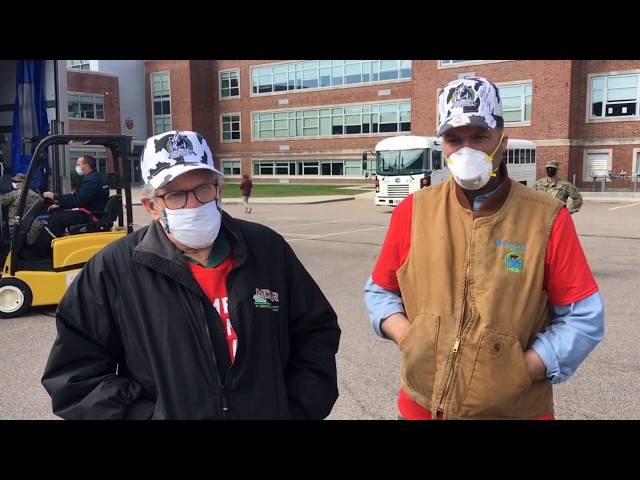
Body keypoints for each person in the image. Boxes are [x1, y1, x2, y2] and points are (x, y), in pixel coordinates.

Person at [41, 130, 340, 420]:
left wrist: (293, 409)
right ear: (152, 207)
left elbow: (316, 333)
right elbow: (74, 379)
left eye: (203, 189)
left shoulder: (267, 250)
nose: (194, 205)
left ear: (219, 191)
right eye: (175, 195)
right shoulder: (114, 270)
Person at [364, 76, 604, 420]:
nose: (466, 150)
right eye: (453, 139)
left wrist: (522, 369)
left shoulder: (547, 219)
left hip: (515, 411)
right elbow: (380, 291)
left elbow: (583, 319)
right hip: (420, 408)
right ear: (442, 144)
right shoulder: (413, 211)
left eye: (479, 137)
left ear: (501, 142)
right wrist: (409, 338)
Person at [31, 155, 109, 257]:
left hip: (90, 215)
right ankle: (48, 248)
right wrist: (60, 205)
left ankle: (40, 252)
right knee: (55, 215)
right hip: (89, 211)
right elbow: (79, 199)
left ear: (86, 166)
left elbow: (78, 200)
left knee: (56, 220)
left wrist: (55, 196)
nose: (76, 167)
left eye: (78, 164)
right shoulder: (92, 178)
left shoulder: (92, 180)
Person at [0, 173, 44, 244]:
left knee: (15, 245)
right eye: (14, 181)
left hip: (16, 224)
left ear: (23, 183)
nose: (14, 183)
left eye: (17, 182)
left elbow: (2, 201)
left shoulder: (17, 193)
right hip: (32, 224)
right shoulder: (33, 193)